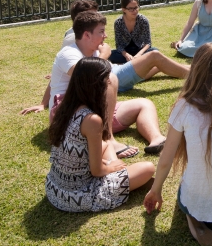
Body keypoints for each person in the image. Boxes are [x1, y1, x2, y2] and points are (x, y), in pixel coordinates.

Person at [144, 43, 212, 246]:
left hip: (196, 195)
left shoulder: (184, 105)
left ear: (195, 69)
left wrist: (155, 190)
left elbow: (165, 160)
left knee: (189, 200)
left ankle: (196, 223)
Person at [51, 11, 186, 157]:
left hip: (94, 110)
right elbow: (84, 76)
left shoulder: (94, 53)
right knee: (110, 80)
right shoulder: (69, 53)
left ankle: (157, 140)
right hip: (68, 115)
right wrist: (105, 56)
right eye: (101, 32)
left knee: (144, 104)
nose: (105, 36)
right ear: (87, 35)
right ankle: (108, 139)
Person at [46, 57, 156, 212]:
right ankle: (119, 172)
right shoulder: (91, 120)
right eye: (106, 79)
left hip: (54, 188)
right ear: (95, 84)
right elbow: (97, 171)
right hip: (76, 195)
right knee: (148, 168)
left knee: (107, 144)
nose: (109, 83)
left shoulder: (64, 107)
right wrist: (110, 167)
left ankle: (118, 168)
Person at [20, 0, 99, 115]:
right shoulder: (72, 38)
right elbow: (67, 70)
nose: (99, 18)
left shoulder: (80, 34)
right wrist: (43, 103)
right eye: (93, 15)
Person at [109, 0, 158, 66]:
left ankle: (128, 63)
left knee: (155, 51)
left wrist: (139, 54)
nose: (134, 11)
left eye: (136, 7)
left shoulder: (143, 20)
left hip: (140, 50)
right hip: (125, 51)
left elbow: (148, 43)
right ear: (123, 9)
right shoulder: (118, 22)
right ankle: (138, 62)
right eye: (131, 9)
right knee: (111, 55)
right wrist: (126, 55)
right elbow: (119, 45)